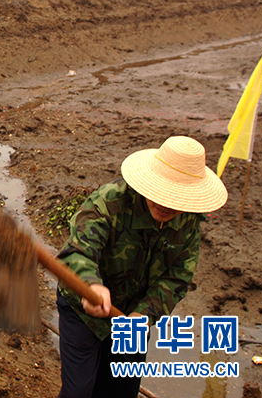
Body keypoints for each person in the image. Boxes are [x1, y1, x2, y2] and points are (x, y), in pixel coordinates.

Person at [55, 136, 228, 398]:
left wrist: (143, 316)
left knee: (121, 390)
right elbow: (77, 251)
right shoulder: (110, 201)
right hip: (83, 310)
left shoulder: (189, 223)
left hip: (133, 316)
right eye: (162, 192)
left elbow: (176, 279)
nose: (166, 204)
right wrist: (91, 285)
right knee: (79, 391)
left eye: (177, 198)